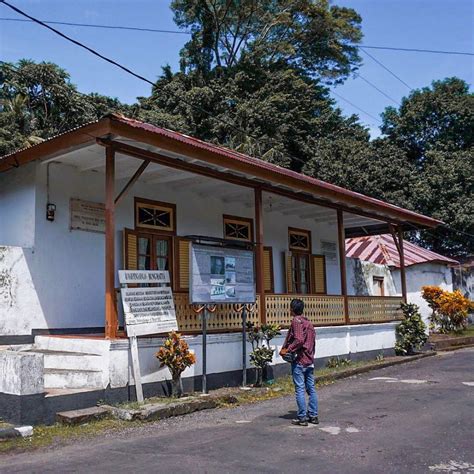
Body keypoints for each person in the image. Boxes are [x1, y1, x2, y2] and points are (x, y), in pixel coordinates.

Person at [280, 298, 318, 426]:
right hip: (309, 359)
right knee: (311, 389)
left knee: (300, 389)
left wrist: (287, 350)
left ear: (292, 309)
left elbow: (299, 340)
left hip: (300, 360)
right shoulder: (309, 323)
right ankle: (313, 415)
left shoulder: (296, 321)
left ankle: (302, 417)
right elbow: (311, 342)